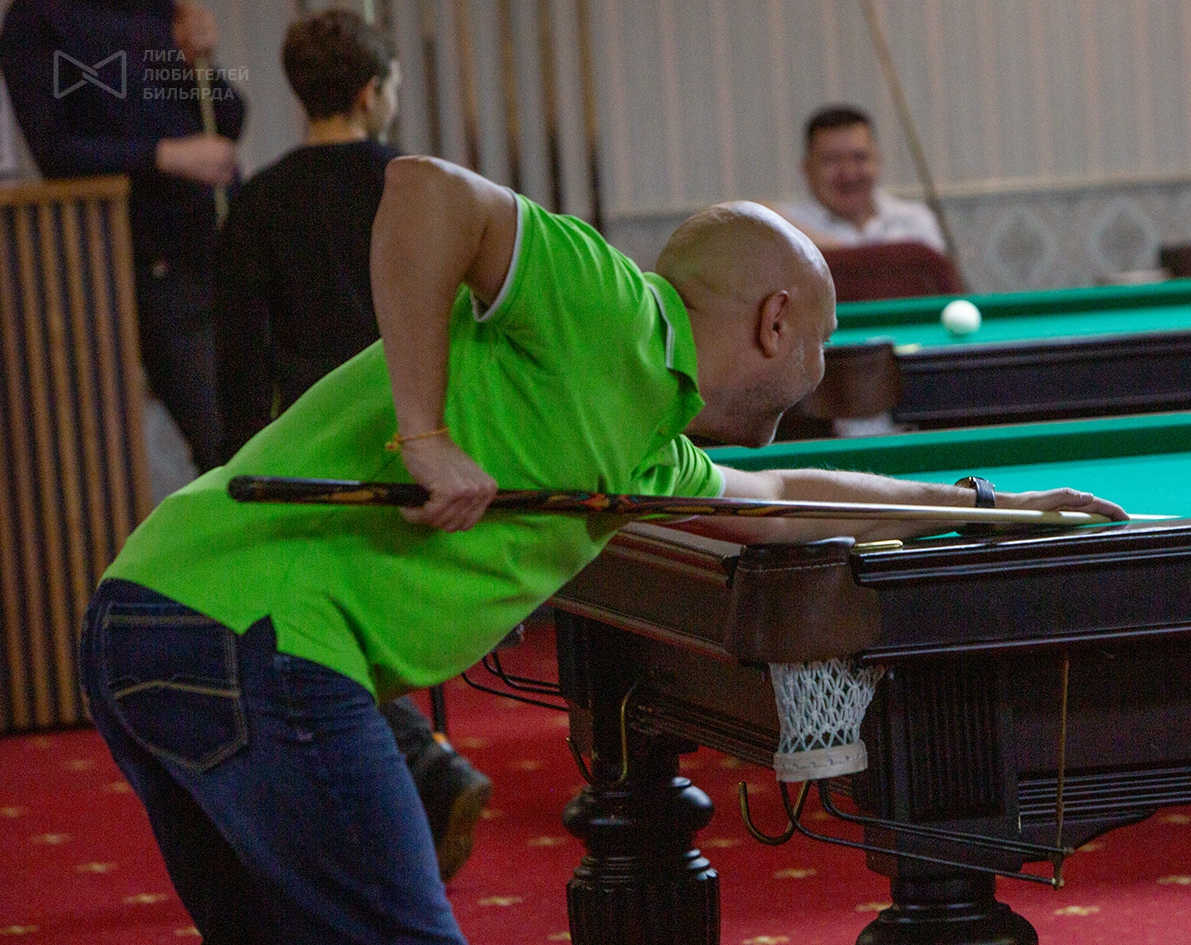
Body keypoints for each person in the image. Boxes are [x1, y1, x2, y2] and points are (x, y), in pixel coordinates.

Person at [79, 155, 1125, 943]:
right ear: (775, 322)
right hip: (258, 638)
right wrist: (425, 435)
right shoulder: (608, 302)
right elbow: (423, 190)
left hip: (146, 616)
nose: (816, 364)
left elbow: (778, 500)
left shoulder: (646, 446)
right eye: (820, 336)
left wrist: (980, 502)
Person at [210, 9, 491, 884]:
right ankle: (418, 765)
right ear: (372, 92)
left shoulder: (259, 199)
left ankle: (405, 776)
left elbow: (240, 351)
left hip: (311, 447)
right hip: (415, 436)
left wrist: (239, 465)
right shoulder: (419, 187)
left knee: (306, 622)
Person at [0, 0, 244, 473]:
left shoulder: (157, 8)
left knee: (268, 421)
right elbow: (56, 153)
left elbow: (230, 118)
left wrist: (202, 60)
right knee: (222, 442)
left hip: (222, 238)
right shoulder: (35, 19)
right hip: (150, 256)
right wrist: (164, 156)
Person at [775, 103, 945, 253]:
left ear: (877, 160)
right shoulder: (783, 228)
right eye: (832, 160)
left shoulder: (916, 223)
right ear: (807, 168)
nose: (849, 174)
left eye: (860, 157)